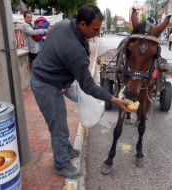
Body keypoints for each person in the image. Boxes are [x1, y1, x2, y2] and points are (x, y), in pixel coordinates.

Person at [31, 5, 129, 179]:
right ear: (83, 24)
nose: (98, 33)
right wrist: (113, 100)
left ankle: (65, 149)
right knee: (59, 124)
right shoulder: (74, 51)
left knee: (63, 117)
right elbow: (88, 86)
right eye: (96, 29)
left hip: (52, 76)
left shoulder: (65, 25)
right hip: (46, 84)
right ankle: (61, 163)